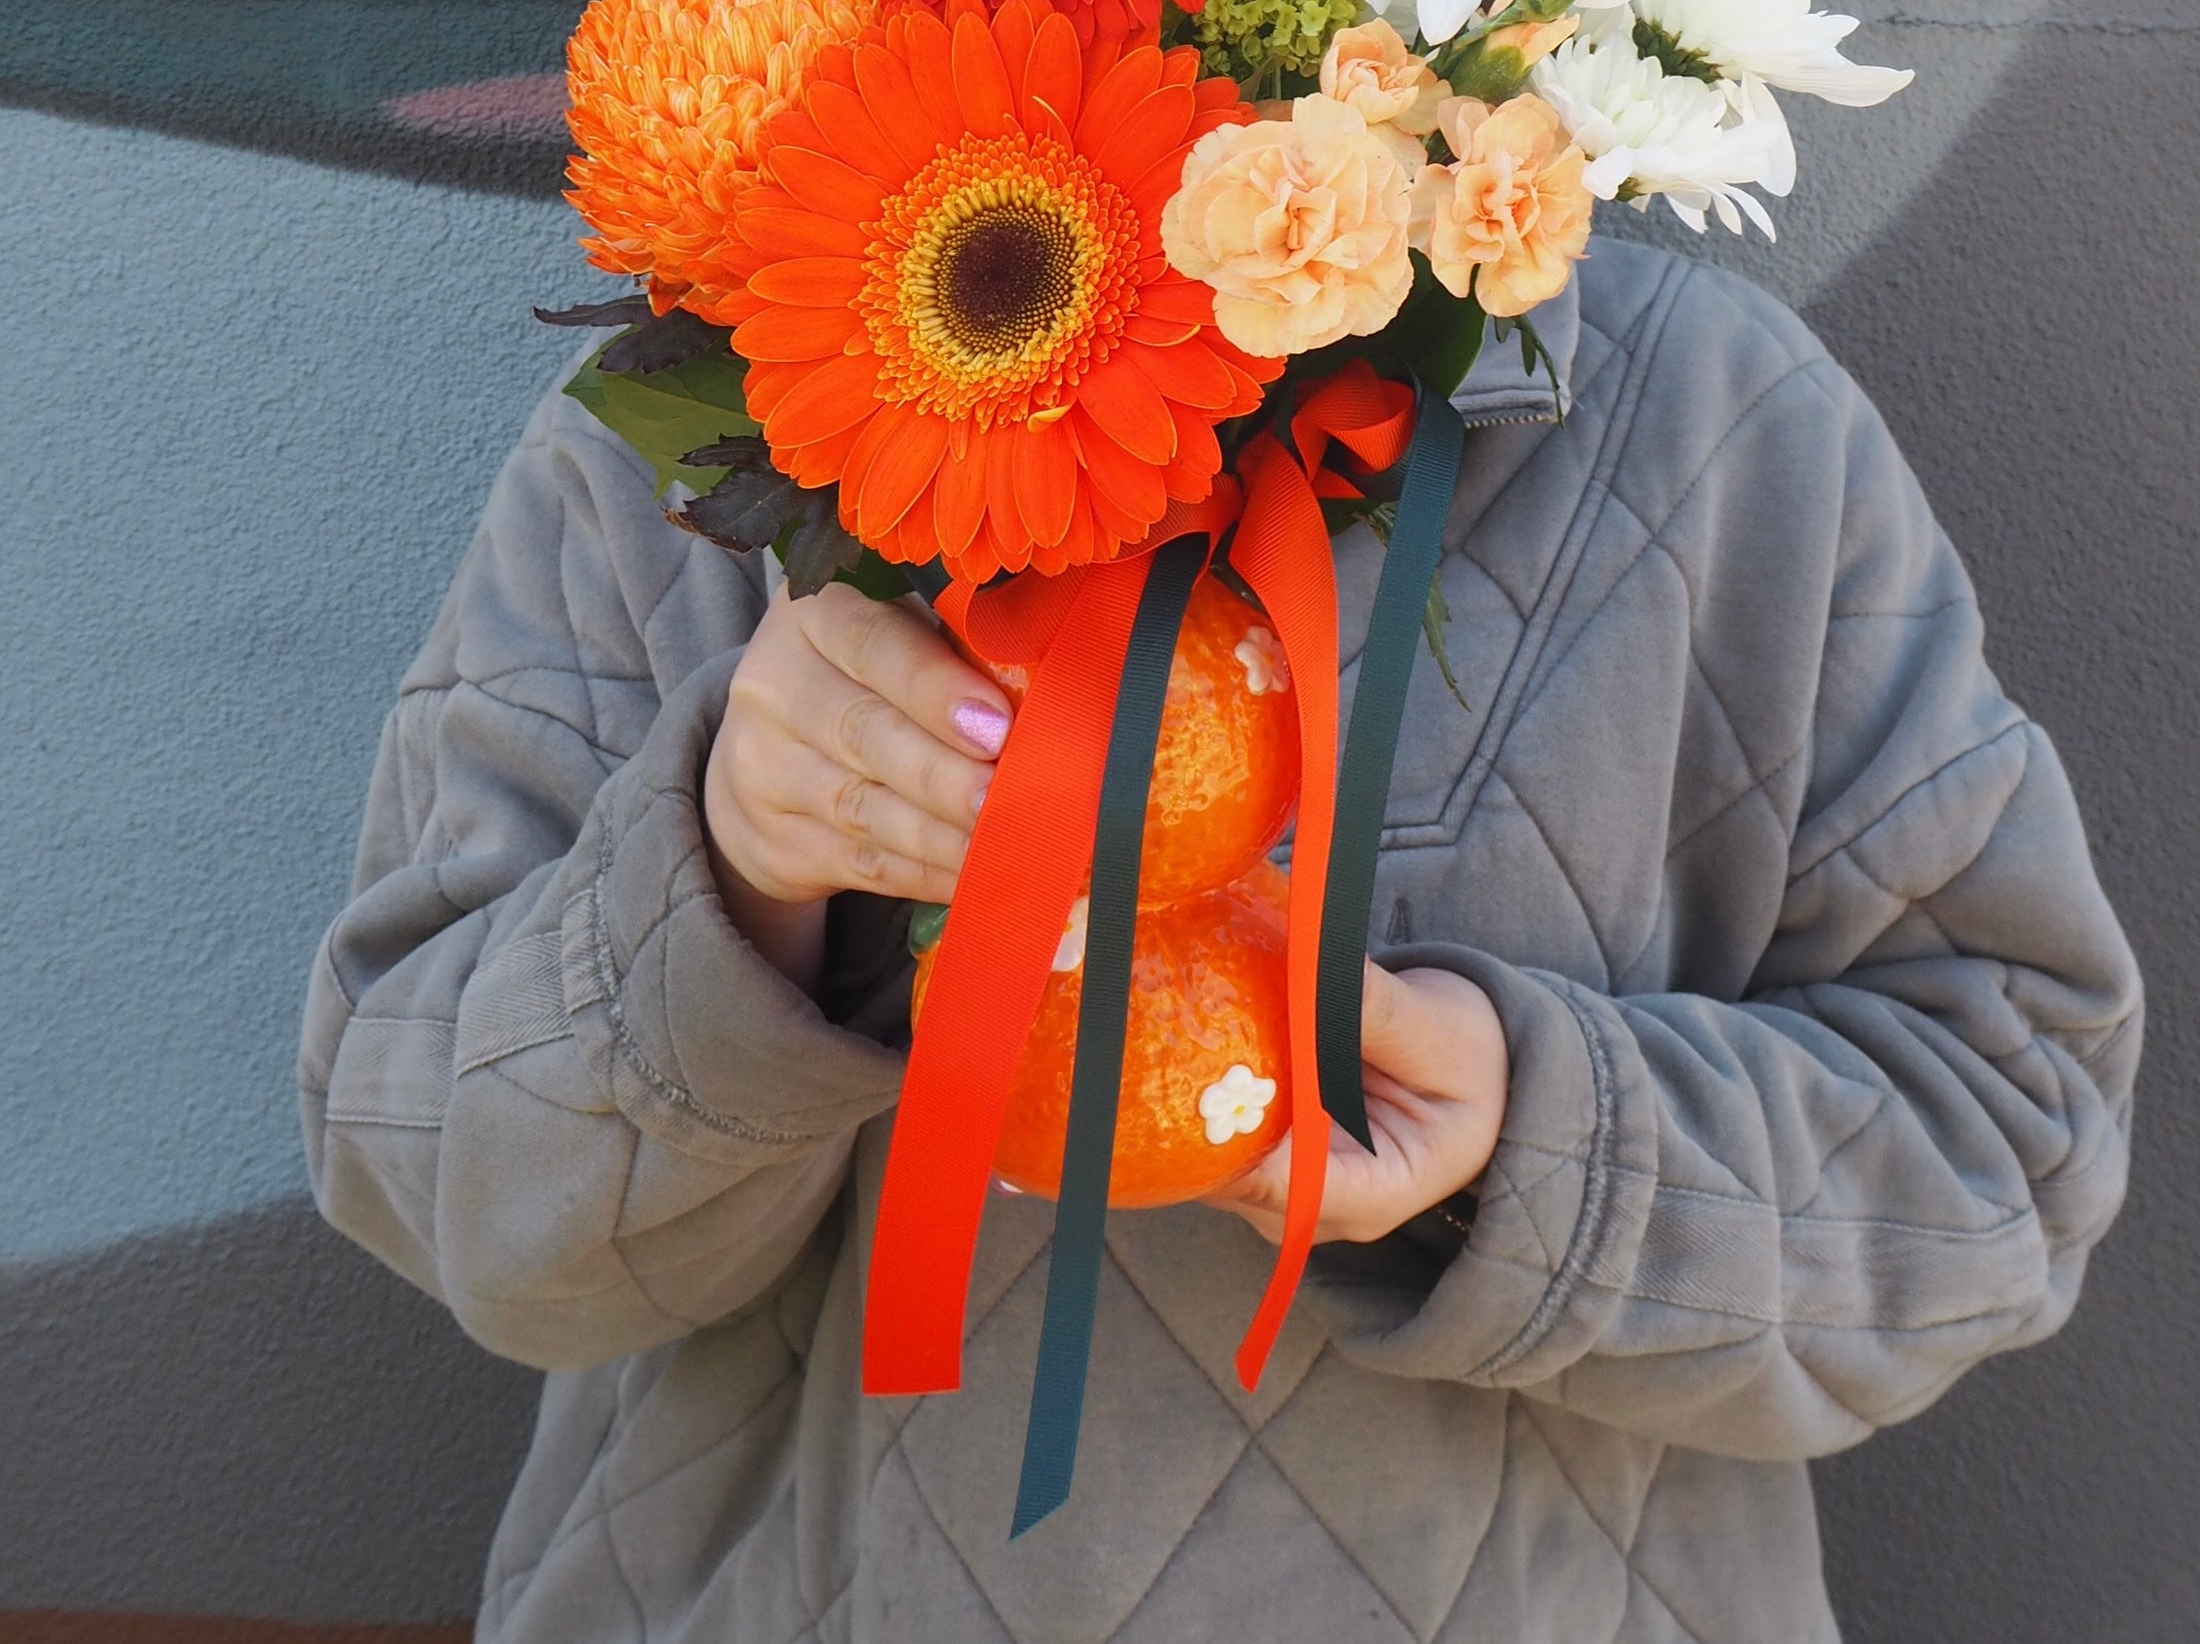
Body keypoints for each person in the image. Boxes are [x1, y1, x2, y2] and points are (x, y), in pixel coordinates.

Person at [301, 241, 2140, 1642]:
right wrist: (731, 865)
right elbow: (422, 1170)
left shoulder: (1713, 423)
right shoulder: (709, 425)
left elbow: (2008, 1153)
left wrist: (1535, 1151)